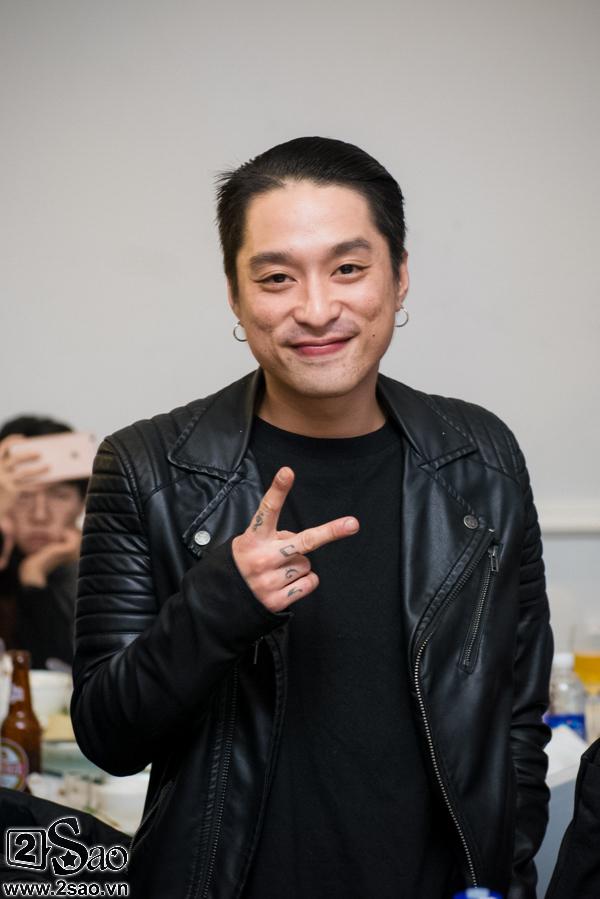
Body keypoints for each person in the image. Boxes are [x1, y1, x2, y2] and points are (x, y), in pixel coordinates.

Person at [71, 136, 553, 899]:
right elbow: (108, 735)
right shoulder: (147, 468)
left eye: (348, 268)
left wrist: (504, 880)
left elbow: (516, 719)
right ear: (235, 296)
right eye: (276, 277)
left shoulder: (482, 457)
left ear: (400, 276)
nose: (317, 308)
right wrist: (220, 601)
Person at [0, 417, 86, 669]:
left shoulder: (102, 572)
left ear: (83, 502)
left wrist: (33, 576)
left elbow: (57, 671)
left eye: (59, 495)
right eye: (24, 495)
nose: (40, 515)